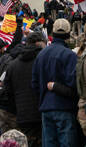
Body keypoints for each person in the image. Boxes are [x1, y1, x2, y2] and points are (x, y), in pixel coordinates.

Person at [32, 18, 78, 147]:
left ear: (53, 33)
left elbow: (34, 84)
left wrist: (43, 97)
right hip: (65, 107)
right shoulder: (70, 55)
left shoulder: (41, 55)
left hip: (46, 108)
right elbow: (73, 84)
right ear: (68, 34)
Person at [4, 32, 46, 146]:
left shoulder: (13, 65)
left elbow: (8, 91)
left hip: (23, 114)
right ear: (39, 43)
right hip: (42, 112)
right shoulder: (43, 60)